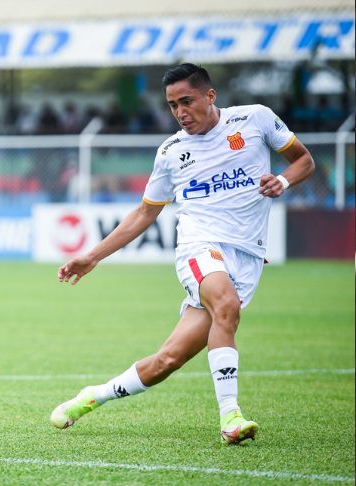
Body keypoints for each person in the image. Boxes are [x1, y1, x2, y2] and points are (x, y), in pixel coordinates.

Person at [49, 63, 315, 444]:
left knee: (166, 362)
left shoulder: (255, 120)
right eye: (173, 105)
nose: (180, 112)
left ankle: (92, 396)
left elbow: (304, 160)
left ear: (211, 95)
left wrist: (284, 180)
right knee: (226, 305)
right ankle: (231, 418)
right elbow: (145, 213)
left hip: (248, 255)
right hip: (199, 246)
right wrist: (92, 256)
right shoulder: (172, 152)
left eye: (186, 101)